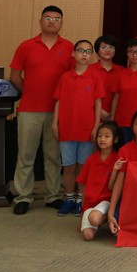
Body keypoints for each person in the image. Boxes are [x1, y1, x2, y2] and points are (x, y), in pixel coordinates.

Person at [9, 6, 75, 215]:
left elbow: (74, 79)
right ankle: (23, 196)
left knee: (53, 156)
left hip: (57, 112)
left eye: (56, 19)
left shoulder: (69, 47)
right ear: (40, 21)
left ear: (61, 23)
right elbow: (15, 77)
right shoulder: (26, 46)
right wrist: (30, 92)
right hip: (29, 110)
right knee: (26, 155)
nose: (52, 21)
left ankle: (53, 195)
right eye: (48, 18)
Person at [52, 39, 105, 216]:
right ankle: (69, 198)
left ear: (92, 56)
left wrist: (96, 127)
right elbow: (58, 101)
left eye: (88, 52)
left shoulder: (95, 76)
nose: (84, 54)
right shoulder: (65, 77)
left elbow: (98, 104)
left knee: (83, 167)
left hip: (87, 129)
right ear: (73, 53)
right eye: (81, 50)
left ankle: (81, 200)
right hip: (67, 129)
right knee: (68, 166)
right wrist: (54, 123)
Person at [78, 121, 121, 241]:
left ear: (115, 139)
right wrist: (82, 212)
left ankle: (107, 218)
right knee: (88, 236)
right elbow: (83, 185)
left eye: (107, 136)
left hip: (106, 201)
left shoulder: (117, 158)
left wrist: (115, 170)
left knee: (94, 219)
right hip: (90, 203)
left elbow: (112, 187)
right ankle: (97, 219)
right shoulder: (91, 159)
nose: (102, 139)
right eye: (99, 136)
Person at [112, 38, 137, 141]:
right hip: (122, 121)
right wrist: (112, 119)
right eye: (131, 51)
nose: (134, 55)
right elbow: (116, 98)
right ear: (127, 54)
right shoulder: (120, 74)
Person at [89, 34, 123, 121]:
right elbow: (85, 94)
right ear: (97, 50)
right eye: (103, 47)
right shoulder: (89, 69)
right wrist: (100, 111)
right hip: (92, 115)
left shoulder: (122, 71)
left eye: (111, 47)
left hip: (116, 117)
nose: (107, 50)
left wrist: (112, 113)